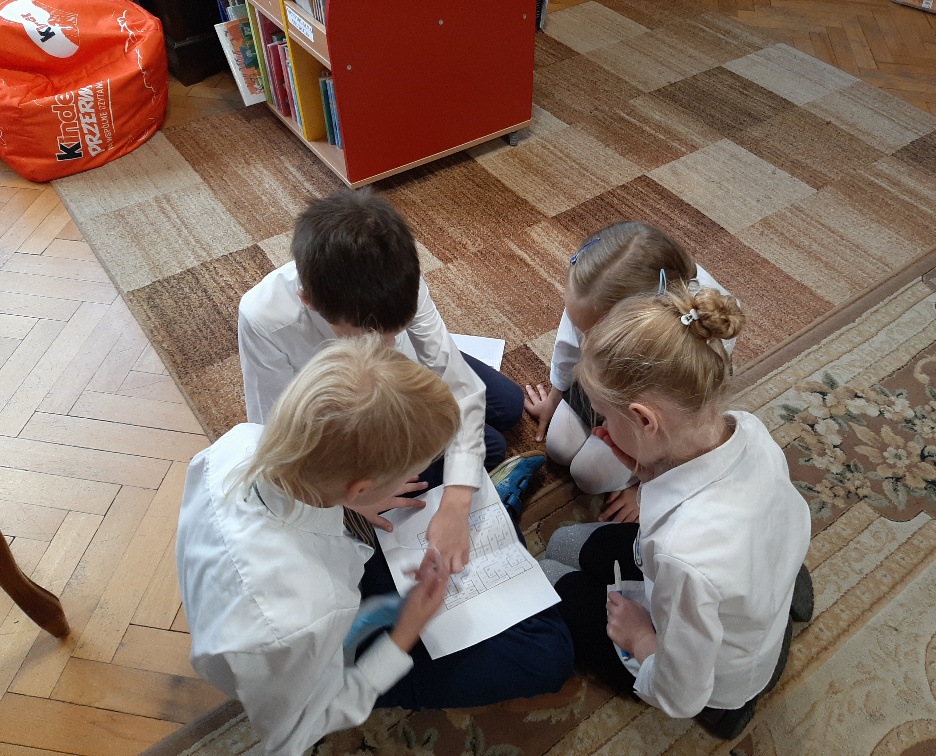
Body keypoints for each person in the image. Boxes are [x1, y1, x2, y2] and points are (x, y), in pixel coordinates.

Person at [178, 338, 573, 756]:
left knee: (474, 453)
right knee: (548, 653)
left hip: (305, 558)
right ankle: (494, 519)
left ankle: (483, 513)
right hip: (315, 654)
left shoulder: (240, 442)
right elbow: (300, 729)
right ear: (360, 486)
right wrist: (405, 633)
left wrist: (347, 502)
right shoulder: (307, 613)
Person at [538, 284, 812, 741]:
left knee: (549, 575)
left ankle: (728, 708)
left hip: (710, 674)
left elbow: (681, 694)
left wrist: (641, 638)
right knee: (566, 544)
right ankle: (774, 609)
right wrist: (646, 471)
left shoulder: (683, 555)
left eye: (604, 417)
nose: (601, 427)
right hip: (741, 575)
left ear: (645, 420)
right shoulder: (748, 428)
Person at [238, 188, 529, 574]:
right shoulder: (264, 318)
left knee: (509, 405)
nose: (388, 346)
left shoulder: (396, 272)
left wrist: (457, 504)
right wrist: (349, 502)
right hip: (359, 414)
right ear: (308, 301)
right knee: (489, 446)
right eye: (369, 336)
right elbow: (274, 436)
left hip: (409, 382)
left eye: (397, 329)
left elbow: (459, 385)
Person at [524, 221, 736, 524]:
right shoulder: (595, 293)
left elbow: (688, 427)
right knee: (559, 447)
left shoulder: (701, 336)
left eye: (592, 332)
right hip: (606, 382)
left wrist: (648, 485)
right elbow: (567, 348)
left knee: (589, 476)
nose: (583, 339)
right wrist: (555, 398)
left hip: (653, 406)